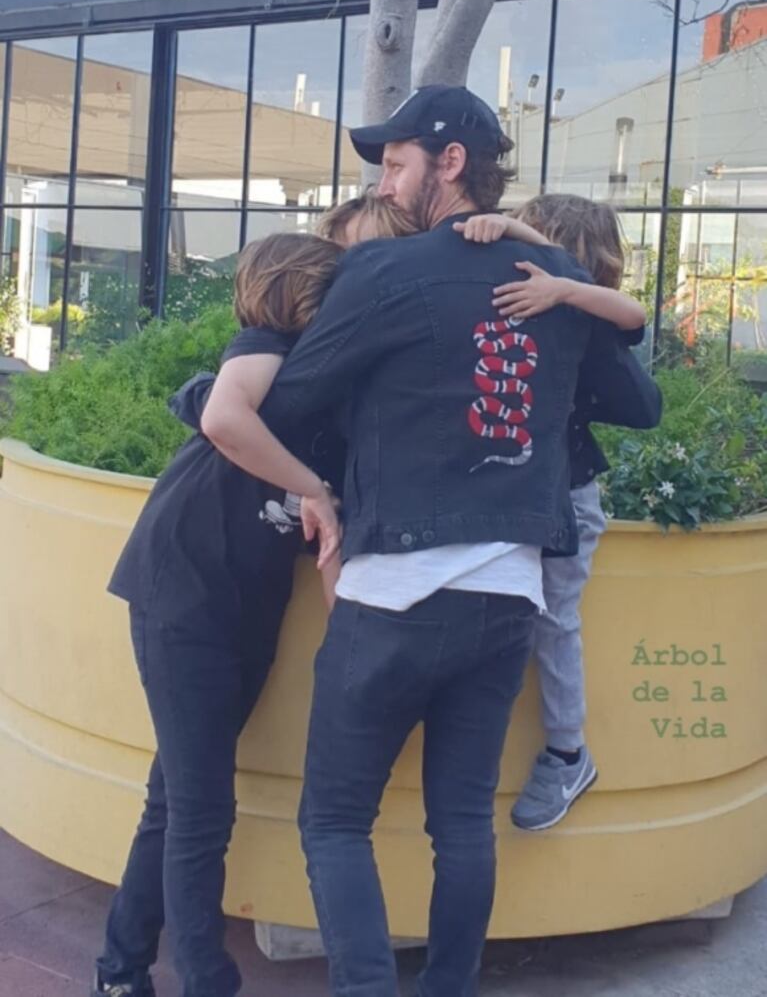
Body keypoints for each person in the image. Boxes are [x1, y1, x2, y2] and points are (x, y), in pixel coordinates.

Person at [202, 84, 662, 997]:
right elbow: (636, 404)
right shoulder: (549, 284)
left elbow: (291, 403)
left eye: (397, 159)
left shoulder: (387, 274)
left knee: (334, 819)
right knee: (460, 822)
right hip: (507, 597)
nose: (384, 175)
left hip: (391, 598)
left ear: (450, 163)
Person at [92, 229, 393, 997]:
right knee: (200, 809)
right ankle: (204, 981)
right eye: (335, 290)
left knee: (176, 798)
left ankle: (120, 969)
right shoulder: (263, 346)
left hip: (240, 608)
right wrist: (313, 488)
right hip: (181, 594)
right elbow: (223, 416)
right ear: (300, 293)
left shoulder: (332, 390)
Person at [459, 196, 649, 829]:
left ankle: (567, 752)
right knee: (509, 612)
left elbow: (635, 328)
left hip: (563, 492)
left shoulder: (584, 316)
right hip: (513, 487)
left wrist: (565, 290)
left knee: (552, 618)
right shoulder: (512, 306)